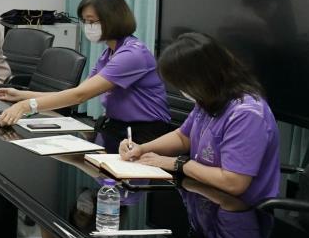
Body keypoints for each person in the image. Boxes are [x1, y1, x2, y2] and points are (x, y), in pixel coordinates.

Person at [0, 0, 172, 147]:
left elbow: (80, 96)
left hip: (145, 134)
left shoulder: (132, 54)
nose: (88, 27)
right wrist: (21, 95)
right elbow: (77, 92)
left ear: (112, 19)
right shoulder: (109, 53)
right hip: (117, 127)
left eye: (92, 21)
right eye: (85, 21)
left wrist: (26, 106)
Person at [119, 32, 280, 205]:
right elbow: (183, 137)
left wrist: (179, 164)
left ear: (201, 78)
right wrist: (142, 149)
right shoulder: (211, 98)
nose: (181, 91)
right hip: (204, 198)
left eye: (183, 84)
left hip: (240, 210)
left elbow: (233, 183)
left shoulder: (247, 114)